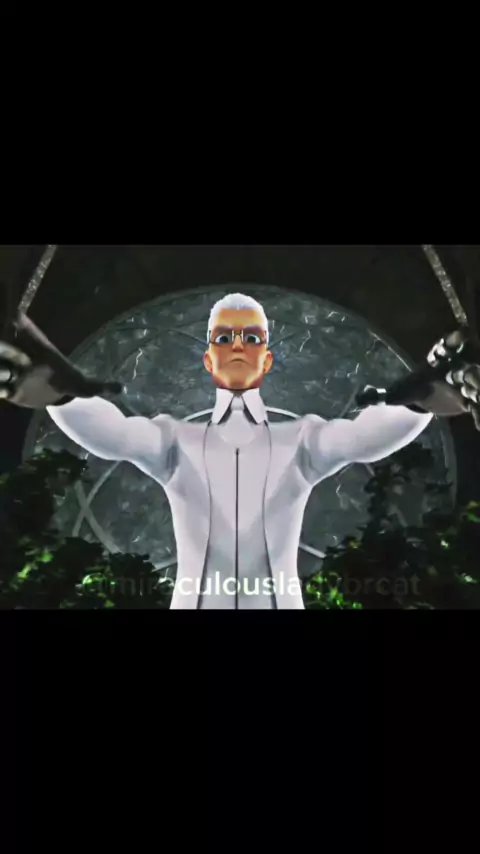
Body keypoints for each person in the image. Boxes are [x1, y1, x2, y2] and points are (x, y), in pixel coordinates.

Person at [0, 294, 479, 609]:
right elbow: (114, 434)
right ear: (208, 359)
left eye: (251, 338)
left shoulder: (301, 442)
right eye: (224, 337)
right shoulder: (174, 443)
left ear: (266, 360)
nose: (237, 346)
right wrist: (58, 395)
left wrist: (428, 397)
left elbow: (363, 438)